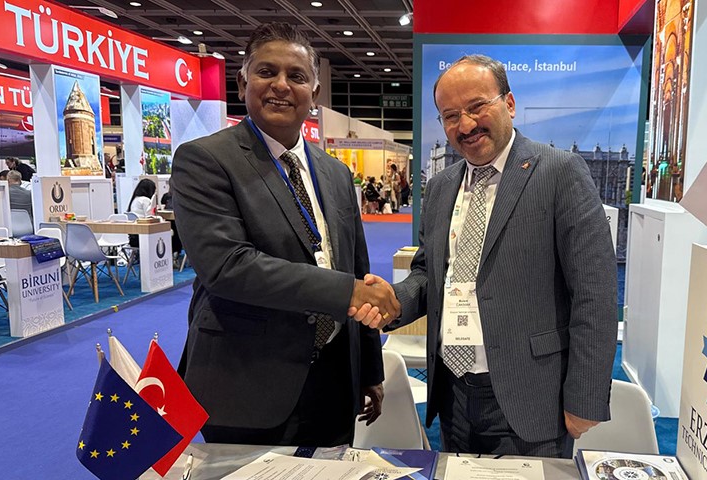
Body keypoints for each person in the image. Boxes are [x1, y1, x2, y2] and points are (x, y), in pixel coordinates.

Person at [352, 54, 618, 458]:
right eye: (450, 115)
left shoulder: (560, 172)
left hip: (530, 394)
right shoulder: (440, 187)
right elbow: (429, 273)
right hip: (453, 394)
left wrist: (585, 397)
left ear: (508, 103)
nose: (465, 125)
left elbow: (595, 293)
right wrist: (394, 301)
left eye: (477, 106)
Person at [171, 22, 398, 447]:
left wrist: (369, 370)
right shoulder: (204, 160)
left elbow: (358, 268)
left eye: (296, 76)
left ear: (314, 93)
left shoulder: (335, 172)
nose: (281, 85)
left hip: (334, 380)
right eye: (266, 72)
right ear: (243, 83)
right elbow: (228, 267)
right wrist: (347, 291)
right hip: (246, 381)